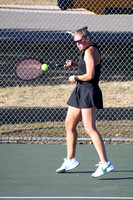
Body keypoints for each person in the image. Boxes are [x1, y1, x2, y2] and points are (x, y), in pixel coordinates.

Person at [56, 26, 114, 177]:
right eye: (75, 42)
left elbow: (90, 75)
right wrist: (75, 63)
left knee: (90, 129)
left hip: (88, 91)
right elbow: (87, 65)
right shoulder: (87, 51)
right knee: (69, 124)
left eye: (79, 41)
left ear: (87, 39)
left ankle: (105, 163)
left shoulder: (89, 51)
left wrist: (74, 77)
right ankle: (70, 159)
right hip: (80, 91)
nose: (77, 44)